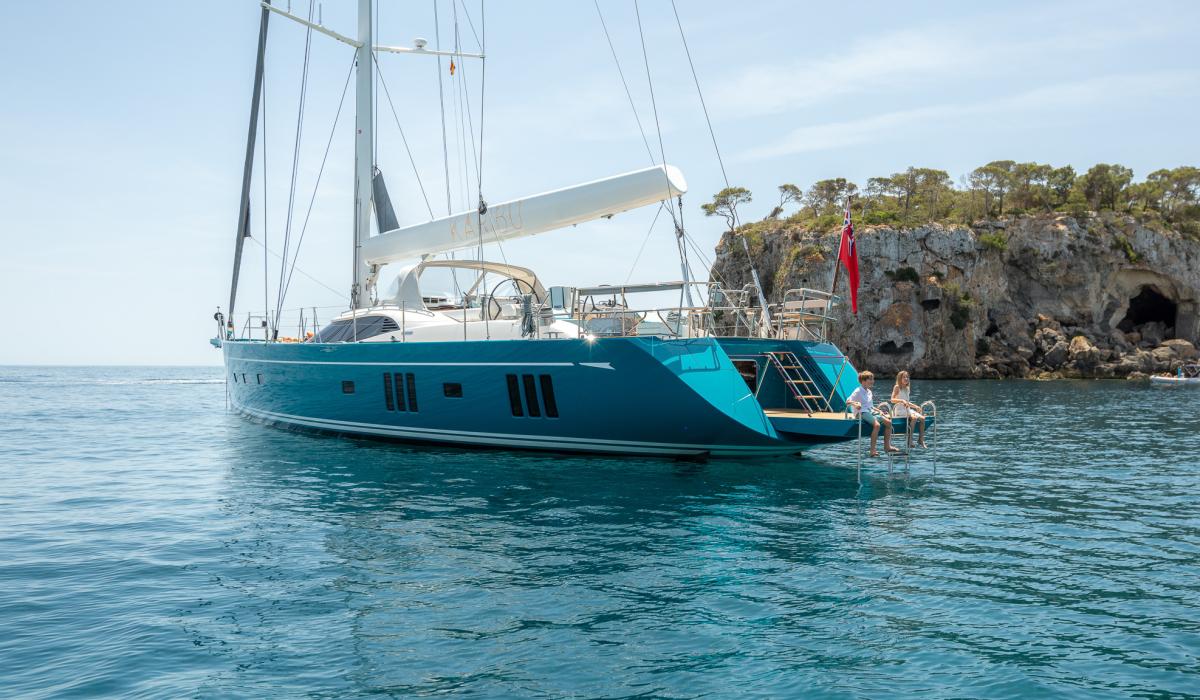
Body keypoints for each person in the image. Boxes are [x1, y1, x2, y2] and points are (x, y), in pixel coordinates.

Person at [846, 370, 899, 457]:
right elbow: (848, 401)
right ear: (863, 381)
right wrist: (855, 404)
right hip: (861, 412)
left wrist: (878, 410)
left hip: (870, 411)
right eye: (870, 379)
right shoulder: (858, 390)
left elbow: (870, 405)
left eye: (872, 379)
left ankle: (887, 446)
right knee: (877, 425)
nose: (872, 381)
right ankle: (872, 450)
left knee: (889, 423)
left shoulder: (869, 392)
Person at [891, 370, 927, 449]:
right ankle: (909, 441)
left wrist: (915, 406)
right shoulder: (897, 387)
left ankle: (921, 439)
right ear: (900, 378)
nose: (906, 378)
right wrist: (901, 401)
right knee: (914, 418)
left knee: (923, 418)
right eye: (904, 377)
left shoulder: (907, 388)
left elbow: (907, 402)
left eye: (907, 377)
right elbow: (892, 400)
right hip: (900, 410)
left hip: (907, 409)